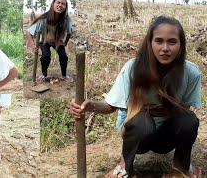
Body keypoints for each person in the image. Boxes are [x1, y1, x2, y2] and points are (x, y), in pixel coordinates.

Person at [69, 16, 202, 178]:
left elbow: (184, 112)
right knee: (142, 123)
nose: (165, 48)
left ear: (181, 46)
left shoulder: (191, 73)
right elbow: (110, 106)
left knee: (190, 120)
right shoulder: (133, 68)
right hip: (137, 135)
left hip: (166, 139)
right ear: (150, 43)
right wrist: (90, 106)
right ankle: (125, 165)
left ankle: (180, 167)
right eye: (159, 41)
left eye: (172, 42)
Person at [26, 0, 73, 82]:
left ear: (66, 7)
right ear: (53, 4)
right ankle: (44, 75)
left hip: (58, 41)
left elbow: (69, 33)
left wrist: (64, 43)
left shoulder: (66, 19)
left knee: (63, 56)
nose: (60, 5)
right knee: (46, 56)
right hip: (44, 41)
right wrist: (33, 46)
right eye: (58, 3)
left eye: (63, 4)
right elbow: (29, 33)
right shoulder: (44, 18)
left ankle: (64, 75)